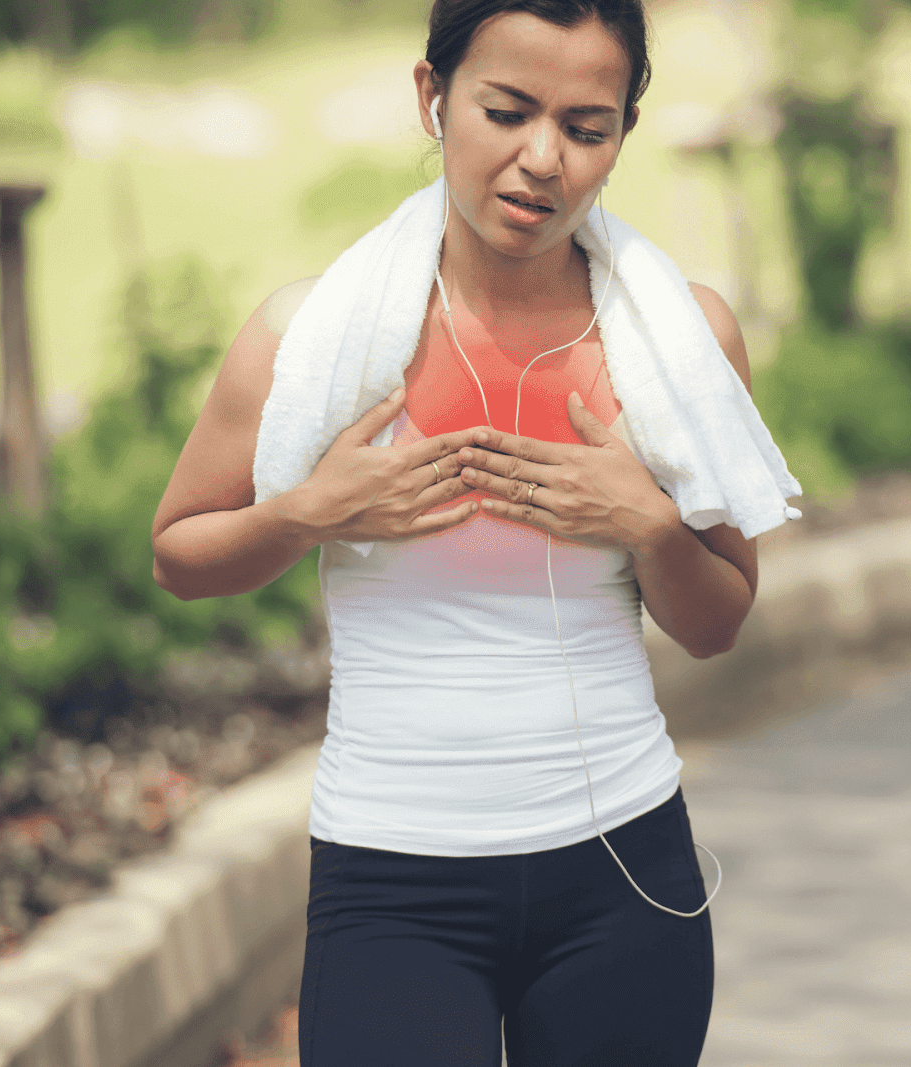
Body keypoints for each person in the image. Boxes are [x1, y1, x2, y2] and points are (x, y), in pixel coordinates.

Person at [152, 0, 799, 1061]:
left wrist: (648, 525)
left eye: (586, 129)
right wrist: (309, 512)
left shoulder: (676, 340)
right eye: (506, 111)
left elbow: (718, 621)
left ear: (621, 137)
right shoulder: (311, 339)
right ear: (432, 97)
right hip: (391, 883)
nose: (540, 158)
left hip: (622, 878)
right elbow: (179, 554)